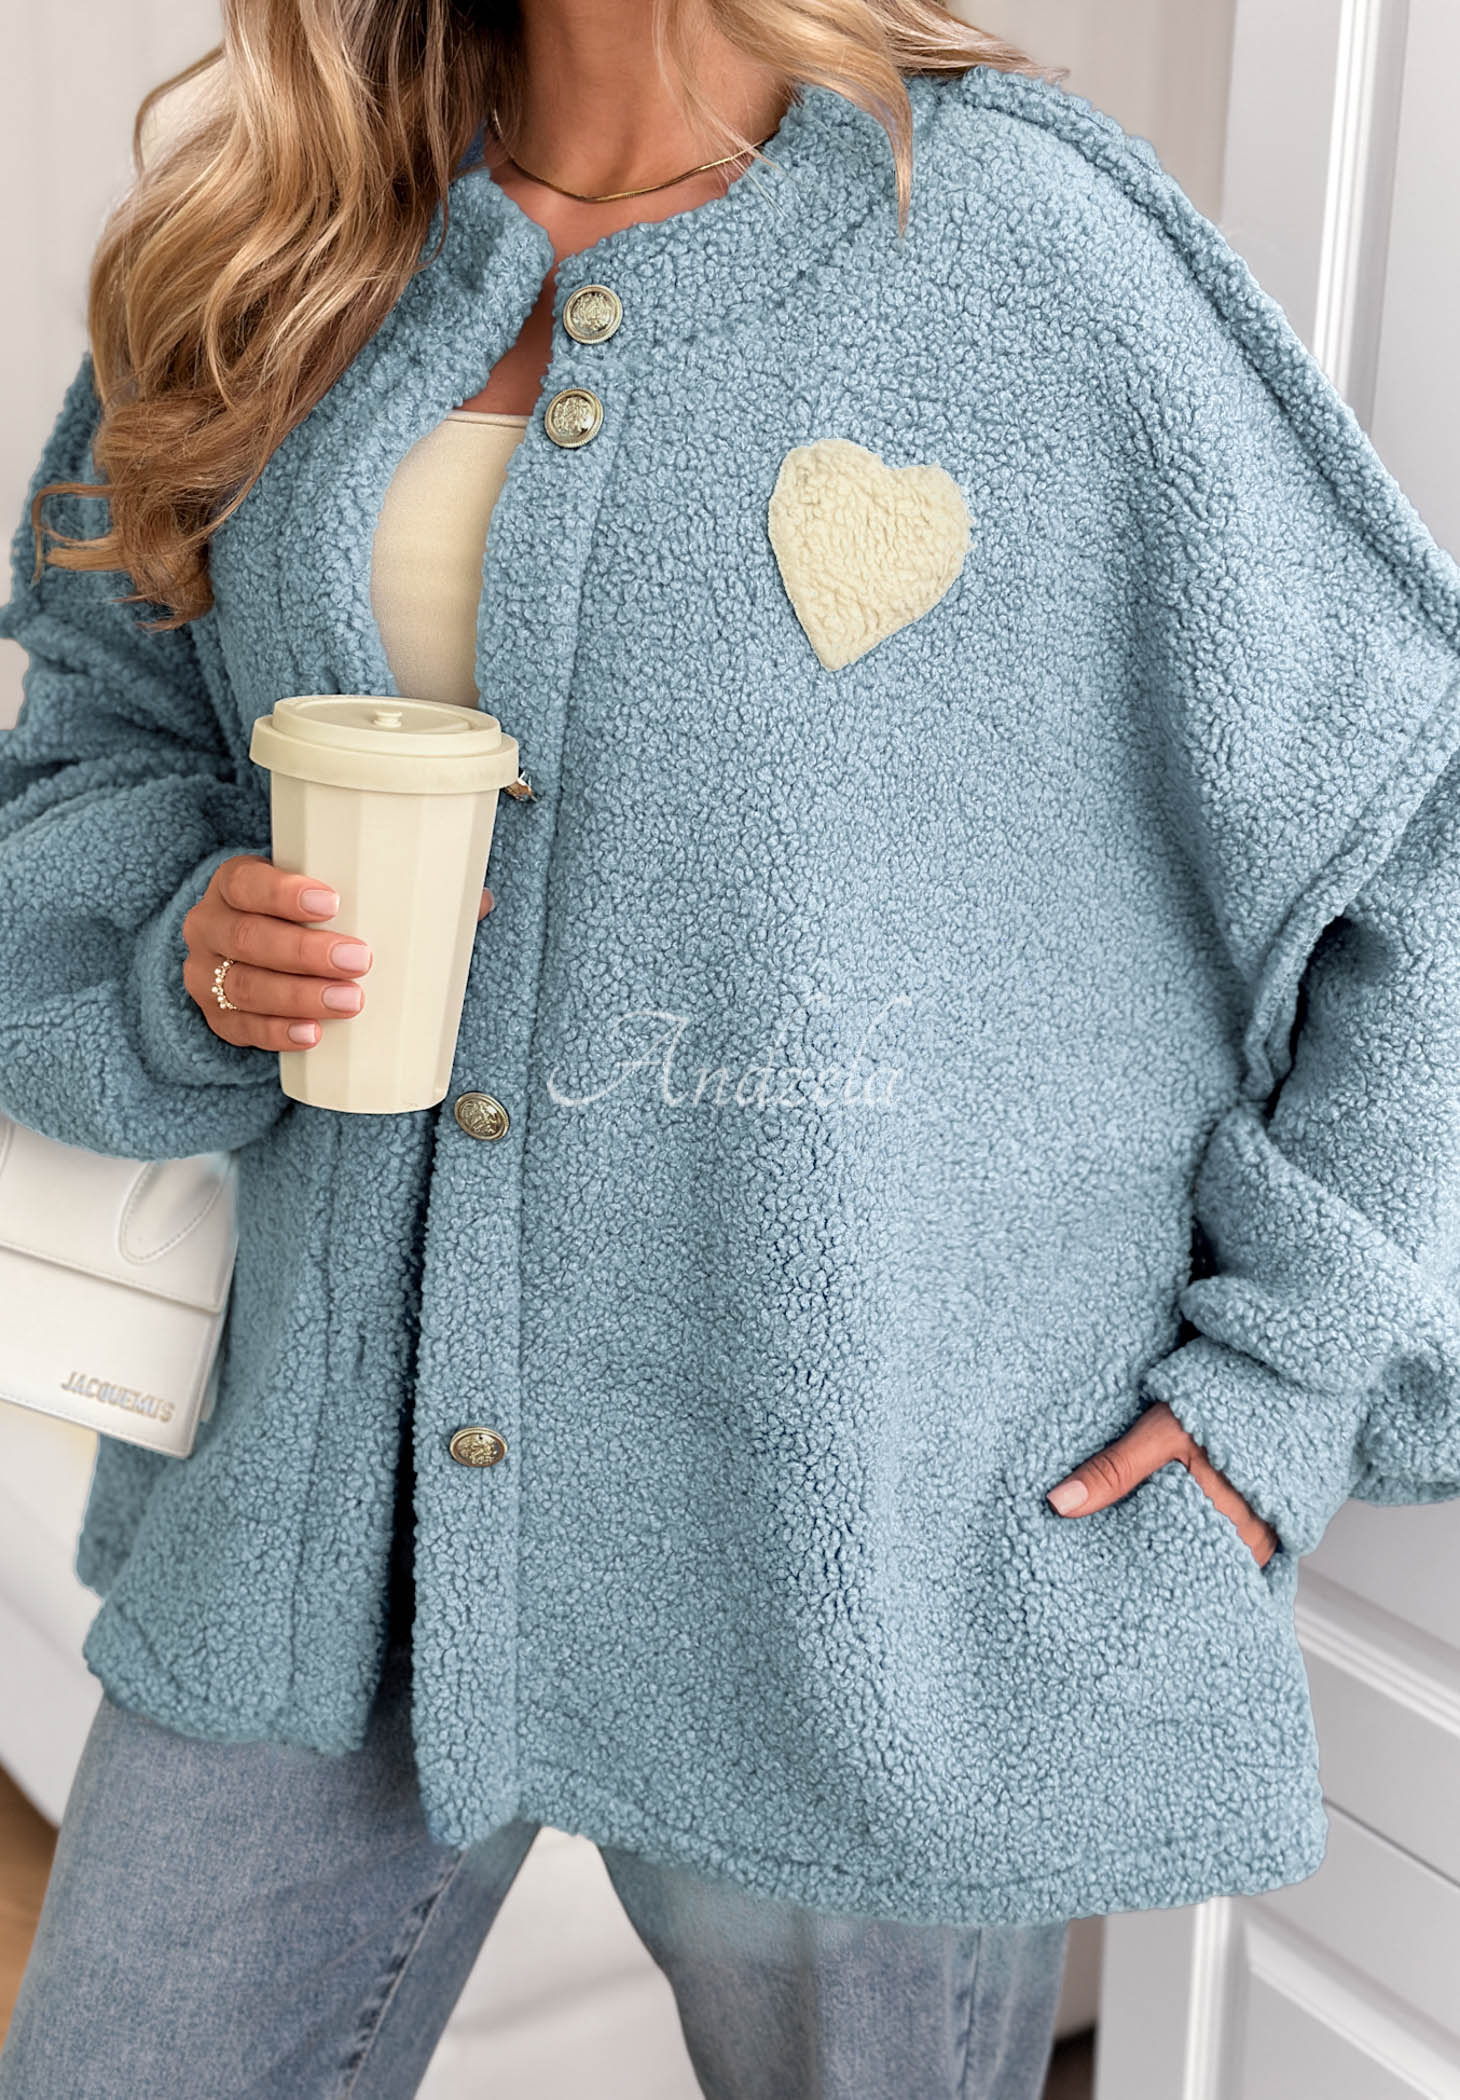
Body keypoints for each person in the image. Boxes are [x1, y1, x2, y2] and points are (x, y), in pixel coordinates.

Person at [2, 1, 1460, 2094]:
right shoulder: (275, 236)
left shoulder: (1020, 246)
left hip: (849, 1554)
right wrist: (179, 964)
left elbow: (1409, 819)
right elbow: (92, 744)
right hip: (327, 1504)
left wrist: (1281, 1390)